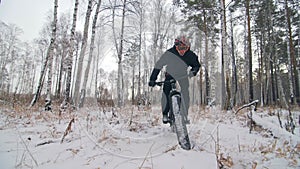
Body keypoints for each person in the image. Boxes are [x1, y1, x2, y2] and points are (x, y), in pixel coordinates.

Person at [148, 35, 201, 124]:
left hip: (183, 75)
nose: (182, 51)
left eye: (184, 48)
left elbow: (196, 65)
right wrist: (152, 79)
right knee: (166, 91)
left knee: (185, 93)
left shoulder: (191, 55)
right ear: (176, 46)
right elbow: (158, 65)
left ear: (188, 47)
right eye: (179, 48)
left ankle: (184, 115)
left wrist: (193, 71)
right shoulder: (169, 53)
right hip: (170, 74)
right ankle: (165, 114)